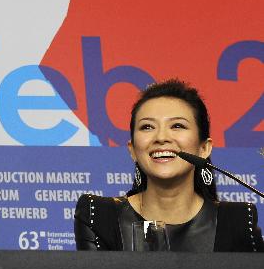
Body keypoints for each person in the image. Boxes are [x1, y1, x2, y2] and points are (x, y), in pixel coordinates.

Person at [74, 79, 262, 251]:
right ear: (132, 150)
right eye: (147, 127)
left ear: (204, 148)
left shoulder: (237, 221)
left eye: (177, 126)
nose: (161, 137)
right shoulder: (99, 215)